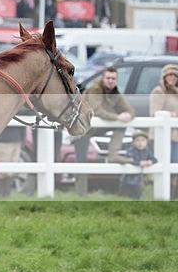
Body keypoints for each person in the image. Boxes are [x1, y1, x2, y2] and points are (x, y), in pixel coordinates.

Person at [74, 67, 135, 195]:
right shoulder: (94, 90)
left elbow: (130, 109)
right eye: (108, 78)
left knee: (121, 125)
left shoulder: (115, 93)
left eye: (113, 79)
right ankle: (81, 194)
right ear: (103, 78)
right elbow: (97, 111)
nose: (111, 81)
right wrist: (118, 117)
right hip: (82, 130)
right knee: (81, 162)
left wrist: (128, 115)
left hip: (96, 128)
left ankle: (113, 154)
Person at [149, 63, 178, 198]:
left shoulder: (176, 92)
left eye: (175, 76)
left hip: (175, 135)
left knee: (174, 164)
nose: (172, 78)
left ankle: (173, 193)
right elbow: (155, 112)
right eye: (170, 75)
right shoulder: (158, 91)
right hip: (164, 136)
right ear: (165, 77)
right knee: (167, 163)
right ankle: (165, 193)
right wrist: (172, 114)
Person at [118, 130, 156, 199]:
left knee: (136, 196)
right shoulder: (131, 151)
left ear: (146, 142)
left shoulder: (147, 151)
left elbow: (154, 159)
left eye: (143, 140)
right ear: (133, 142)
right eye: (137, 140)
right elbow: (129, 160)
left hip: (139, 180)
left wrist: (150, 161)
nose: (140, 143)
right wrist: (139, 163)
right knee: (124, 196)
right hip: (127, 179)